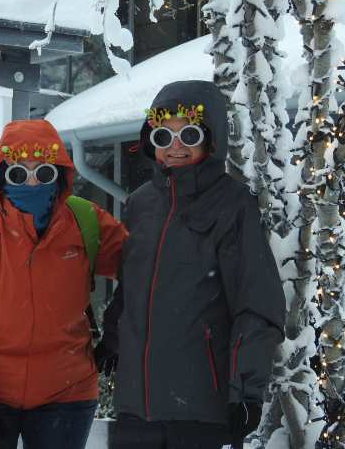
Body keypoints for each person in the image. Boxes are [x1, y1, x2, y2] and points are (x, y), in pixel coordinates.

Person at [94, 81, 286, 449]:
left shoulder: (232, 204)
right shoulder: (140, 204)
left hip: (199, 408)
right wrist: (112, 341)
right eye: (164, 135)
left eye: (189, 134)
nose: (175, 146)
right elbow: (131, 288)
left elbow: (257, 303)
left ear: (211, 140)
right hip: (135, 408)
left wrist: (246, 390)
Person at [0, 119, 128, 449]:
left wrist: (117, 331)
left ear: (60, 174)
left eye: (44, 172)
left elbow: (145, 273)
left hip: (66, 391)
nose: (32, 183)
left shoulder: (86, 222)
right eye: (18, 174)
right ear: (1, 176)